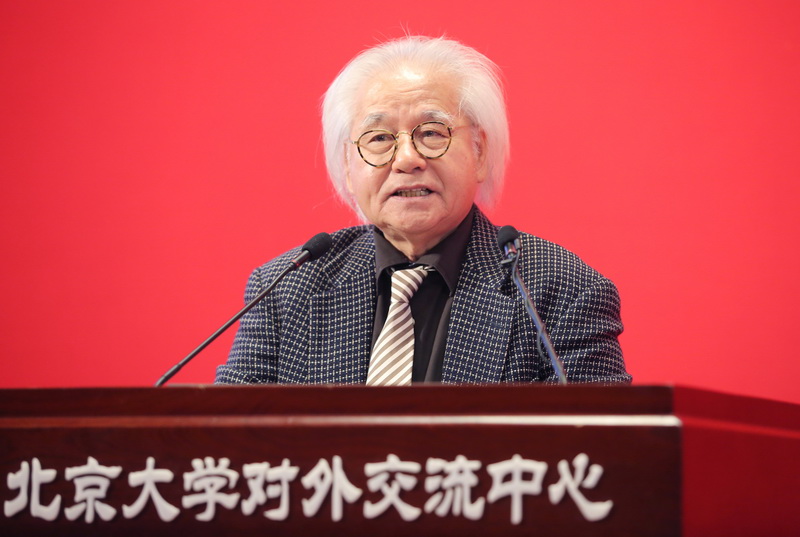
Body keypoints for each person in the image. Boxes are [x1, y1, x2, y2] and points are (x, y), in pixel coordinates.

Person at [215, 36, 631, 385]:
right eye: (379, 138)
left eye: (431, 133)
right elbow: (226, 441)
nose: (407, 159)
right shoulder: (286, 290)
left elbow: (598, 448)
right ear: (347, 164)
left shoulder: (560, 290)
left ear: (479, 151)